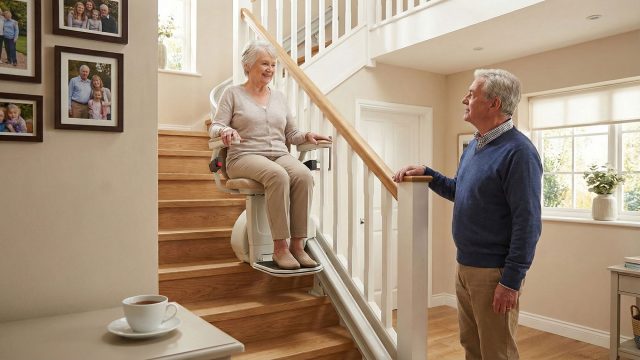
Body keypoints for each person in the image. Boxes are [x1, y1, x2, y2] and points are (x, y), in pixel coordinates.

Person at [393, 69, 542, 360]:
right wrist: (429, 174)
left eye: (472, 94)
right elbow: (460, 190)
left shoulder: (519, 152)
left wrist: (511, 280)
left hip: (494, 272)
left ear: (494, 104)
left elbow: (528, 223)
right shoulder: (476, 145)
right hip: (466, 266)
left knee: (497, 352)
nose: (465, 99)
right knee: (471, 346)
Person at [210, 40, 330, 270]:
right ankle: (280, 248)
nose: (270, 69)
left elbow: (291, 133)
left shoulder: (280, 98)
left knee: (304, 175)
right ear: (248, 66)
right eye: (264, 63)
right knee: (278, 176)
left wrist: (306, 135)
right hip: (244, 156)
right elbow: (215, 126)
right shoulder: (233, 94)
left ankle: (297, 245)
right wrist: (224, 130)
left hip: (277, 153)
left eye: (273, 65)